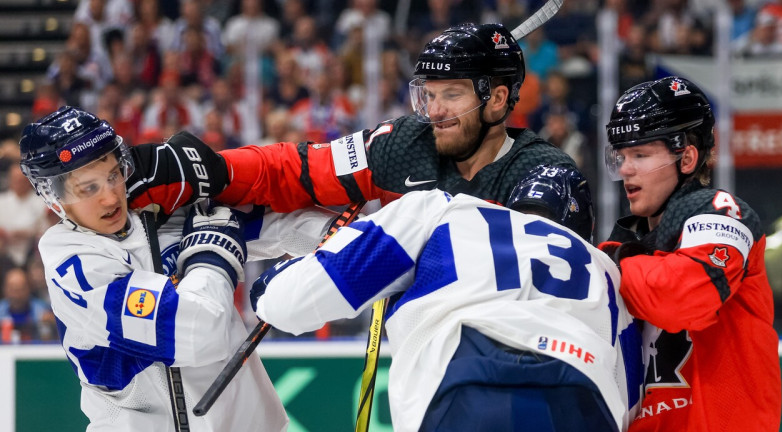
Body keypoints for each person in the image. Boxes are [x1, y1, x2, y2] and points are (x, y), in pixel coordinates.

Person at [250, 165, 642, 431]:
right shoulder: (608, 273)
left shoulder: (448, 211)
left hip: (467, 382)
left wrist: (265, 287)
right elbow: (630, 401)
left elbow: (295, 300)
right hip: (584, 397)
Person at [19, 106, 338, 431]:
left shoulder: (158, 209)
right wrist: (213, 252)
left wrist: (355, 238)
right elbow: (199, 333)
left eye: (114, 174)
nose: (110, 196)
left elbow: (283, 227)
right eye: (88, 188)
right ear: (52, 196)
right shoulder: (71, 265)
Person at [126, 22, 576, 218]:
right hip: (424, 382)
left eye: (452, 95)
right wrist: (217, 170)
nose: (434, 111)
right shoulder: (403, 145)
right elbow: (299, 170)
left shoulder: (545, 174)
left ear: (498, 100)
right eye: (428, 95)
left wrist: (374, 254)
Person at [600, 76, 781, 430]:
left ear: (687, 158)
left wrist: (616, 262)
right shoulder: (627, 241)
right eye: (620, 156)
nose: (625, 169)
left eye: (640, 154)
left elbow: (681, 299)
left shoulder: (724, 212)